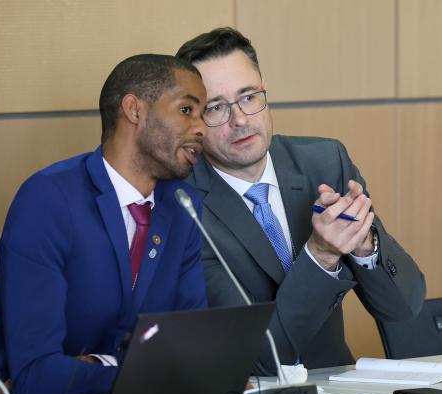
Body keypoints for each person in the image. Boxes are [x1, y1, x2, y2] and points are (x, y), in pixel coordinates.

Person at [176, 28, 426, 374]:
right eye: (216, 107)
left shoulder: (323, 162)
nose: (240, 120)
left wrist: (363, 244)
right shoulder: (181, 204)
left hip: (339, 392)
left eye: (248, 97)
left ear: (265, 89)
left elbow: (403, 308)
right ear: (191, 118)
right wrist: (321, 255)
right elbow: (261, 359)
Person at [0, 54, 208, 394]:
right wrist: (144, 372)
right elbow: (36, 376)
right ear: (134, 110)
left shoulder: (183, 205)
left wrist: (98, 365)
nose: (202, 128)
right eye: (187, 110)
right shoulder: (48, 199)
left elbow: (191, 349)